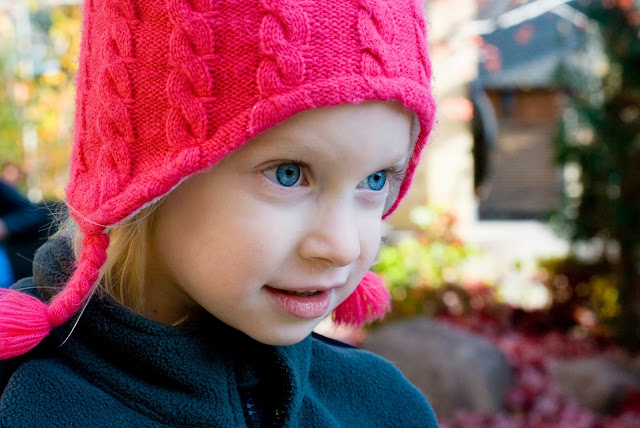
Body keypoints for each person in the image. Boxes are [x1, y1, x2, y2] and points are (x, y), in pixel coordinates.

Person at [0, 0, 438, 426]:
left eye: (375, 180)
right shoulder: (27, 405)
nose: (343, 247)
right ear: (147, 179)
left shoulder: (385, 407)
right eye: (288, 174)